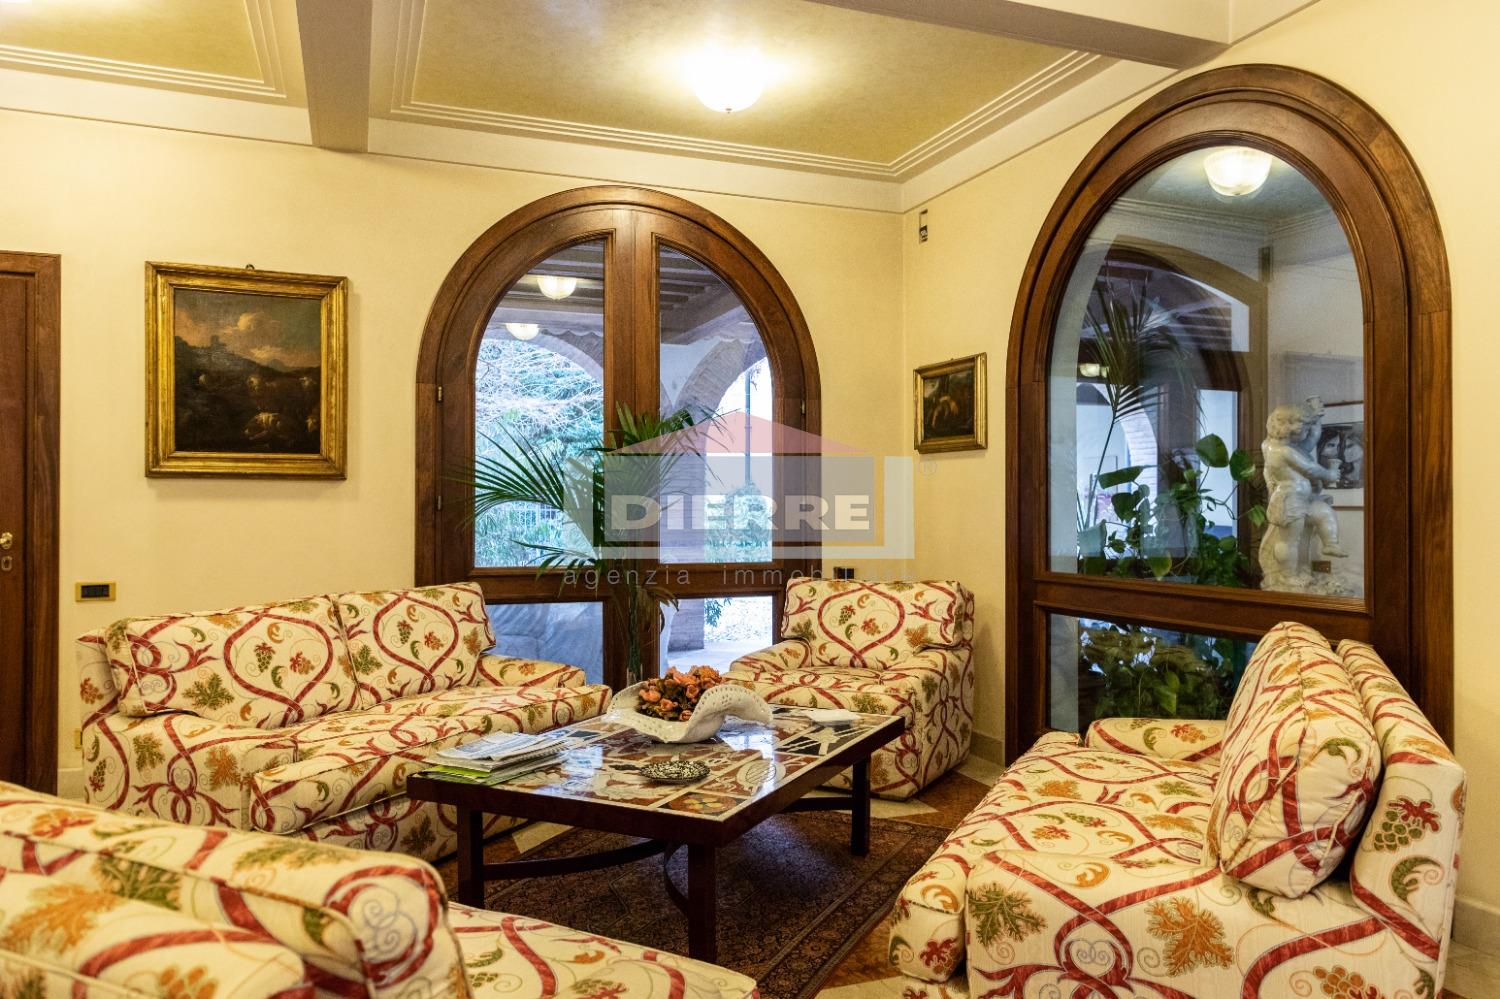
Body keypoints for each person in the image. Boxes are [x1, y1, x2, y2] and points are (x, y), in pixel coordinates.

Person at [1259, 398, 1347, 591]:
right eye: (1305, 429)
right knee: (1289, 541)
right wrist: (1329, 474)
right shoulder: (1283, 451)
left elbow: (1311, 440)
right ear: (1289, 427)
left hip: (1303, 499)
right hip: (1289, 501)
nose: (1308, 433)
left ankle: (1330, 543)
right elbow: (1310, 468)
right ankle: (1288, 576)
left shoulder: (1277, 445)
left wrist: (1316, 418)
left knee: (1324, 512)